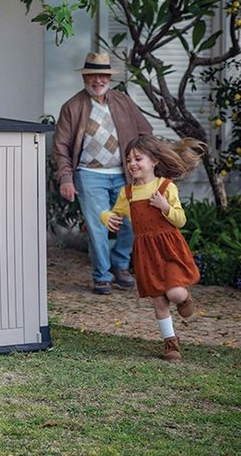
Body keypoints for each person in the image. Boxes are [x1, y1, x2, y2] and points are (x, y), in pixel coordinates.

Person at [52, 52, 153, 295]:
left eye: (103, 75)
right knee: (99, 226)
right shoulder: (72, 106)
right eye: (93, 75)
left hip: (124, 175)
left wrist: (143, 166)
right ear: (85, 77)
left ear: (109, 78)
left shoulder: (123, 101)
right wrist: (66, 178)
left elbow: (145, 131)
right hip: (89, 175)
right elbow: (60, 147)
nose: (98, 80)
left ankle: (120, 265)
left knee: (132, 221)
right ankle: (102, 276)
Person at [101, 135, 204, 361]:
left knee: (174, 293)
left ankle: (184, 298)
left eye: (138, 159)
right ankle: (171, 343)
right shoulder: (126, 193)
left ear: (154, 161)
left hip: (169, 248)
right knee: (159, 300)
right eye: (129, 160)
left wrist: (165, 206)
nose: (132, 164)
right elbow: (114, 212)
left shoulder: (166, 187)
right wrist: (106, 217)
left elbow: (181, 220)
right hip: (146, 253)